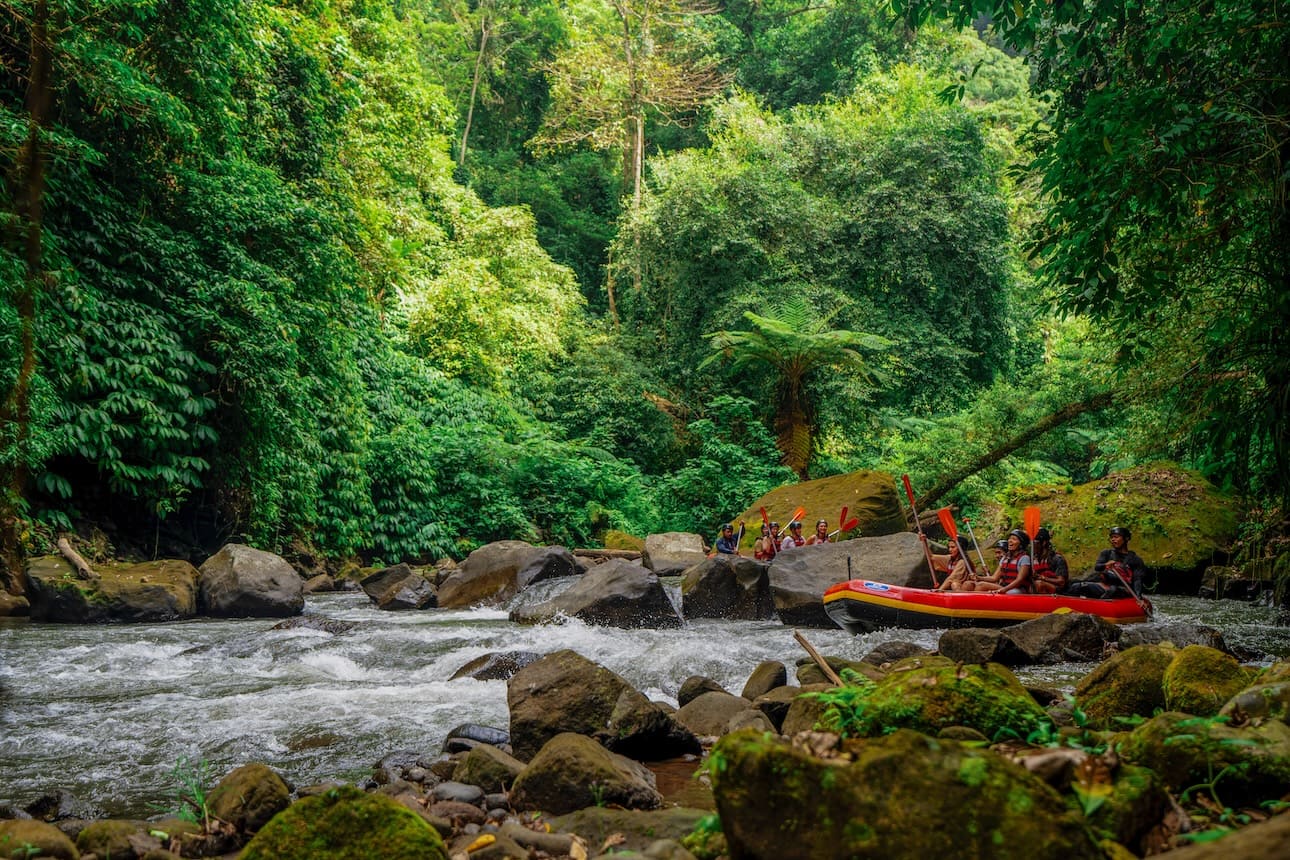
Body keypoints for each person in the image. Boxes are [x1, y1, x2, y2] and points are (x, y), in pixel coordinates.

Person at [1066, 526, 1147, 598]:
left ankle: (1101, 604)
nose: (1113, 540)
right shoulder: (1106, 553)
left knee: (1113, 590)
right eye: (1111, 537)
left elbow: (1137, 580)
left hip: (1124, 588)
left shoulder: (1135, 559)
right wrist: (1105, 565)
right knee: (1077, 586)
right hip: (1105, 585)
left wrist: (1138, 597)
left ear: (1126, 539)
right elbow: (1097, 567)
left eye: (1116, 537)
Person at [974, 529, 1033, 593]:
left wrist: (1004, 589)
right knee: (969, 584)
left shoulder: (1024, 558)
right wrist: (979, 578)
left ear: (1021, 544)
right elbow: (994, 578)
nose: (1010, 541)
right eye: (1009, 538)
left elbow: (1020, 580)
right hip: (1005, 587)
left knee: (981, 585)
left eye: (1014, 539)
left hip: (1017, 589)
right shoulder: (1005, 558)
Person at [1030, 527, 1069, 594]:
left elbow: (1061, 582)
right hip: (1036, 588)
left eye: (1034, 542)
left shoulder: (1057, 558)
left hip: (1057, 592)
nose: (1031, 545)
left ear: (1044, 543)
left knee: (1039, 584)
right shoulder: (1032, 559)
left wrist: (1042, 578)